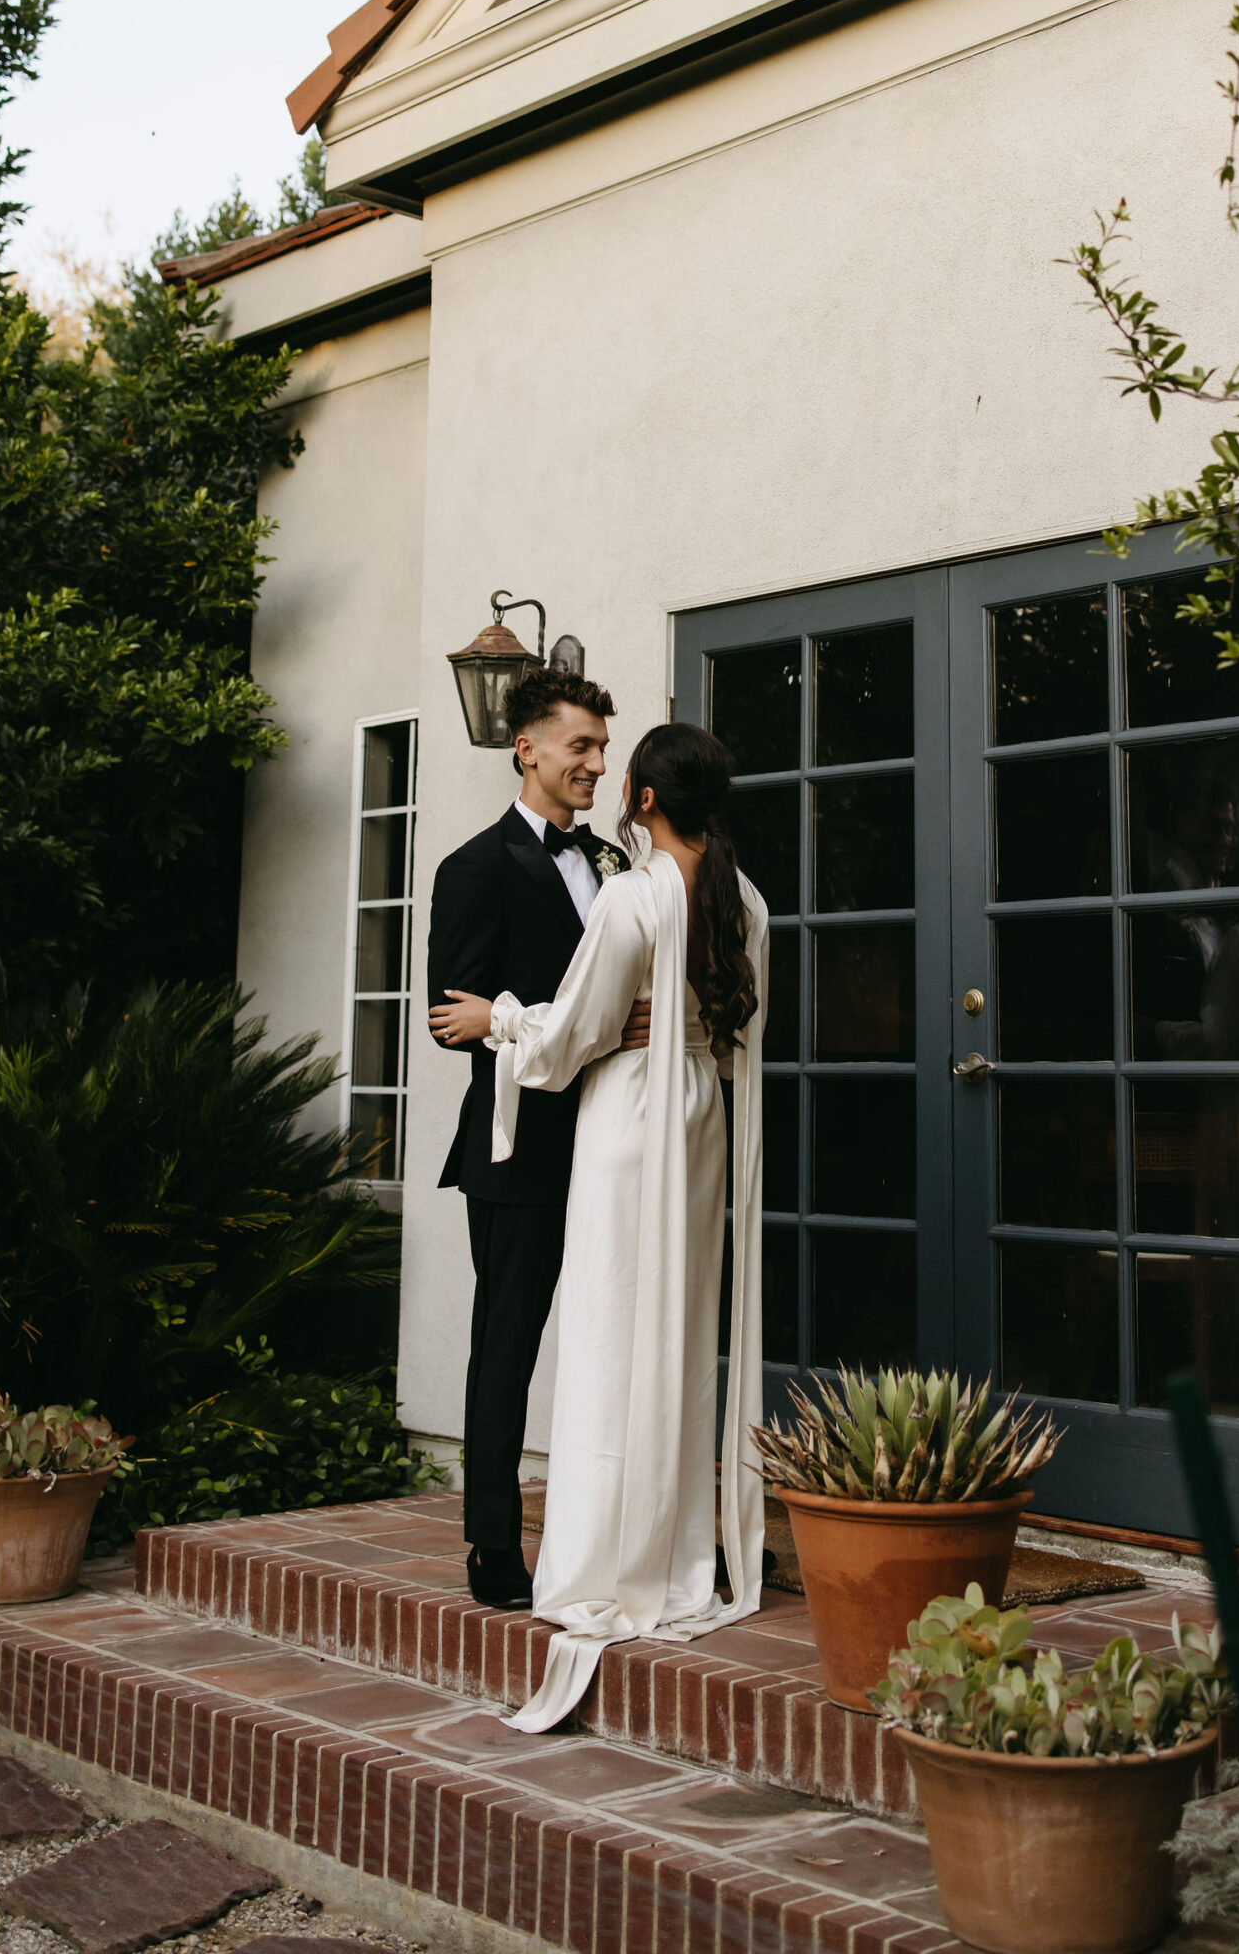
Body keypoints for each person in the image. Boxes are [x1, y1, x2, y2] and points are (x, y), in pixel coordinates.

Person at [429, 722, 767, 1733]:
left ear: (645, 797)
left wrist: (501, 1022)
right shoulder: (748, 902)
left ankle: (600, 1561)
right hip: (703, 1121)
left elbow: (575, 1029)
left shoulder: (632, 890)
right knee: (674, 1340)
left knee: (612, 1338)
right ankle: (671, 1550)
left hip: (627, 1127)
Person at [426, 667, 625, 1611]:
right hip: (517, 1152)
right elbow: (450, 1017)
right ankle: (492, 1546)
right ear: (528, 748)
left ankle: (626, 1531)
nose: (595, 762)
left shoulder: (615, 866)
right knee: (506, 1348)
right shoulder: (473, 866)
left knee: (619, 1341)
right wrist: (571, 1024)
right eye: (580, 745)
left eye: (600, 746)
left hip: (616, 1143)